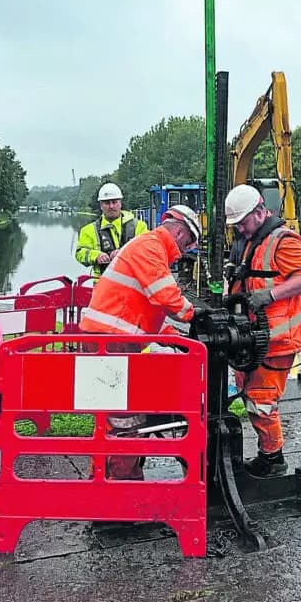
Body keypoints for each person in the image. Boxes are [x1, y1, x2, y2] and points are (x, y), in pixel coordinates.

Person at [78, 204, 203, 479]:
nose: (187, 251)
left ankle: (102, 479)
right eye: (190, 243)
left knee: (109, 419)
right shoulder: (151, 247)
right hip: (109, 343)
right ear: (181, 233)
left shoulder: (147, 246)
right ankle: (119, 489)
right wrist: (198, 316)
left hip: (107, 340)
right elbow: (165, 296)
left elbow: (135, 304)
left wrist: (165, 334)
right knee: (125, 420)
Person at [224, 183, 301, 478]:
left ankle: (273, 459)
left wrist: (270, 295)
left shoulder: (284, 241)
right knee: (251, 395)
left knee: (262, 399)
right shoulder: (252, 240)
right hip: (257, 337)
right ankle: (269, 454)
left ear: (260, 211)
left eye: (242, 222)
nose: (239, 228)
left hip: (279, 337)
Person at [75, 182, 147, 277]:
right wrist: (96, 256)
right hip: (102, 284)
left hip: (132, 283)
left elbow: (147, 251)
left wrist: (123, 253)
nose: (111, 206)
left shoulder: (139, 226)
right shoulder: (88, 230)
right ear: (101, 205)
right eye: (107, 203)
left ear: (120, 203)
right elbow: (80, 253)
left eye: (114, 202)